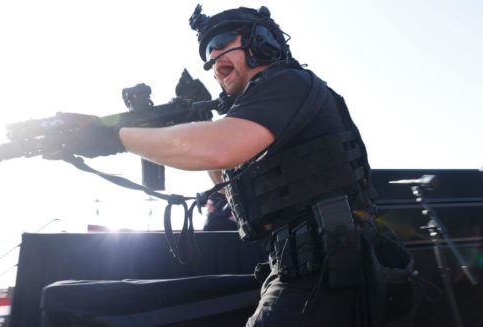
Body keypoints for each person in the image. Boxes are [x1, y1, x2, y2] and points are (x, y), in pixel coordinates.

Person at [56, 4, 414, 326]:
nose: (213, 58)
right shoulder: (261, 113)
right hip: (303, 270)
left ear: (264, 44)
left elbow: (218, 149)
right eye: (208, 53)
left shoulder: (287, 82)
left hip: (330, 272)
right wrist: (164, 131)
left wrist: (114, 136)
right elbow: (227, 178)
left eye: (223, 41)